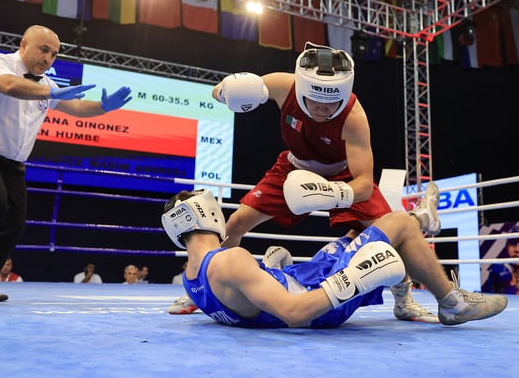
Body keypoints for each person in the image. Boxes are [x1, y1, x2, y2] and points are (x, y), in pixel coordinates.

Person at [169, 43, 441, 322]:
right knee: (236, 222)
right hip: (292, 166)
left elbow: (363, 183)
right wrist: (226, 91)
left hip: (342, 175)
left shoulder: (354, 117)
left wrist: (332, 193)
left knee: (390, 228)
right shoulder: (282, 86)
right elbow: (219, 91)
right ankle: (205, 292)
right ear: (301, 90)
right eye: (315, 102)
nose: (322, 109)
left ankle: (404, 300)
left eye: (330, 103)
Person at [0, 25, 132, 302]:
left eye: (54, 54)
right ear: (23, 45)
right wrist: (50, 93)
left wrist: (104, 107)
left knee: (14, 222)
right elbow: (9, 86)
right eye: (43, 49)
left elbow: (77, 108)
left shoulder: (45, 84)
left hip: (11, 163)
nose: (48, 58)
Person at [162, 189, 507, 327]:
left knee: (356, 234)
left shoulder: (192, 281)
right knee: (398, 225)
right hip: (316, 303)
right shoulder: (229, 260)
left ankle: (420, 231)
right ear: (207, 212)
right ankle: (451, 302)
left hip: (301, 279)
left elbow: (241, 299)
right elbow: (292, 313)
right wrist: (352, 280)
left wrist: (271, 270)